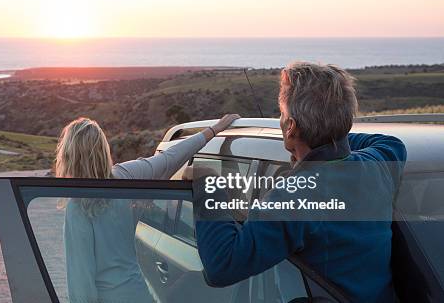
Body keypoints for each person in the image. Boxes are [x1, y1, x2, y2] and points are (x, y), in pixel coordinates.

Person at [194, 62, 407, 302]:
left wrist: (206, 182)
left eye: (283, 115)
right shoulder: (380, 162)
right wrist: (331, 135)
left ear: (291, 127)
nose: (281, 120)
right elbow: (391, 142)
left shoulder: (293, 197)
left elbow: (222, 266)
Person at [58, 114, 239, 303]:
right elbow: (171, 158)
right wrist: (214, 130)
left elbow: (81, 280)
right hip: (138, 294)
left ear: (69, 156)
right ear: (103, 150)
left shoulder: (77, 206)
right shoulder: (126, 176)